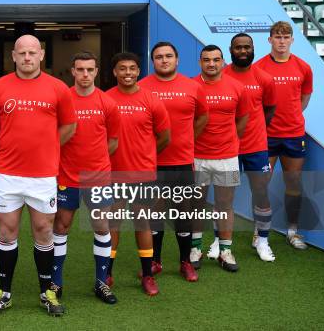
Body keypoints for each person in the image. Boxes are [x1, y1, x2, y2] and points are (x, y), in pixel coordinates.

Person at [0, 35, 76, 316]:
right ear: (13, 55)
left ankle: (47, 292)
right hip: (9, 174)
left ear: (42, 55)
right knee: (7, 232)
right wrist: (8, 147)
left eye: (32, 53)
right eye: (22, 53)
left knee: (44, 231)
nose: (27, 58)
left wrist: (46, 149)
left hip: (43, 175)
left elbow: (69, 126)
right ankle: (5, 293)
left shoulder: (58, 88)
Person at [51, 51, 120, 304]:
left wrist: (95, 163)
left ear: (96, 71)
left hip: (98, 178)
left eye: (90, 70)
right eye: (80, 69)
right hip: (65, 177)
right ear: (72, 71)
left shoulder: (107, 103)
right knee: (60, 227)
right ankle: (55, 283)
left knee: (102, 227)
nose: (85, 74)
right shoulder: (61, 99)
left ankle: (102, 283)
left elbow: (112, 142)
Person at [137, 42, 208, 283]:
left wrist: (186, 140)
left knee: (183, 212)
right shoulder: (141, 87)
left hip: (182, 161)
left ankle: (185, 262)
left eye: (168, 56)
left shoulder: (193, 86)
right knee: (154, 211)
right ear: (152, 61)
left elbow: (202, 117)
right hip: (151, 162)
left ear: (177, 60)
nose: (164, 60)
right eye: (158, 57)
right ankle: (155, 261)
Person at [106, 52, 171, 296]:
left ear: (138, 71)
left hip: (143, 175)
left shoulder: (151, 100)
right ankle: (106, 273)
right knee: (113, 225)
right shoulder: (105, 99)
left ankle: (147, 275)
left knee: (143, 224)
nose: (128, 73)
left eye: (132, 68)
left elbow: (164, 137)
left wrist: (147, 157)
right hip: (113, 175)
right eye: (122, 69)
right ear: (115, 72)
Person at [255, 21, 313, 250]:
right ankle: (260, 232)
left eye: (285, 37)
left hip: (293, 134)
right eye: (277, 37)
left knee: (294, 183)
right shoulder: (259, 68)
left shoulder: (303, 67)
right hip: (266, 135)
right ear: (269, 40)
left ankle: (292, 231)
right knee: (261, 185)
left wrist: (291, 115)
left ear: (291, 40)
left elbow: (304, 99)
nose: (281, 41)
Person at [191, 45, 249, 272]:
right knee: (196, 204)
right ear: (200, 63)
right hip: (197, 156)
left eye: (216, 59)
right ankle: (195, 248)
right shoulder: (190, 86)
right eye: (206, 60)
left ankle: (225, 251)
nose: (211, 64)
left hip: (227, 157)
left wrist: (231, 141)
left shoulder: (237, 87)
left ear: (223, 61)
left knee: (225, 204)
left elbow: (243, 119)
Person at [224, 33, 277, 261]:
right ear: (231, 49)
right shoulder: (221, 76)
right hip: (227, 148)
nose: (243, 51)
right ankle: (222, 242)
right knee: (225, 196)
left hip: (256, 147)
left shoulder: (264, 78)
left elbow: (270, 110)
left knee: (261, 192)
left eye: (247, 47)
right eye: (238, 47)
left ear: (253, 48)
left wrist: (254, 130)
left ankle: (262, 240)